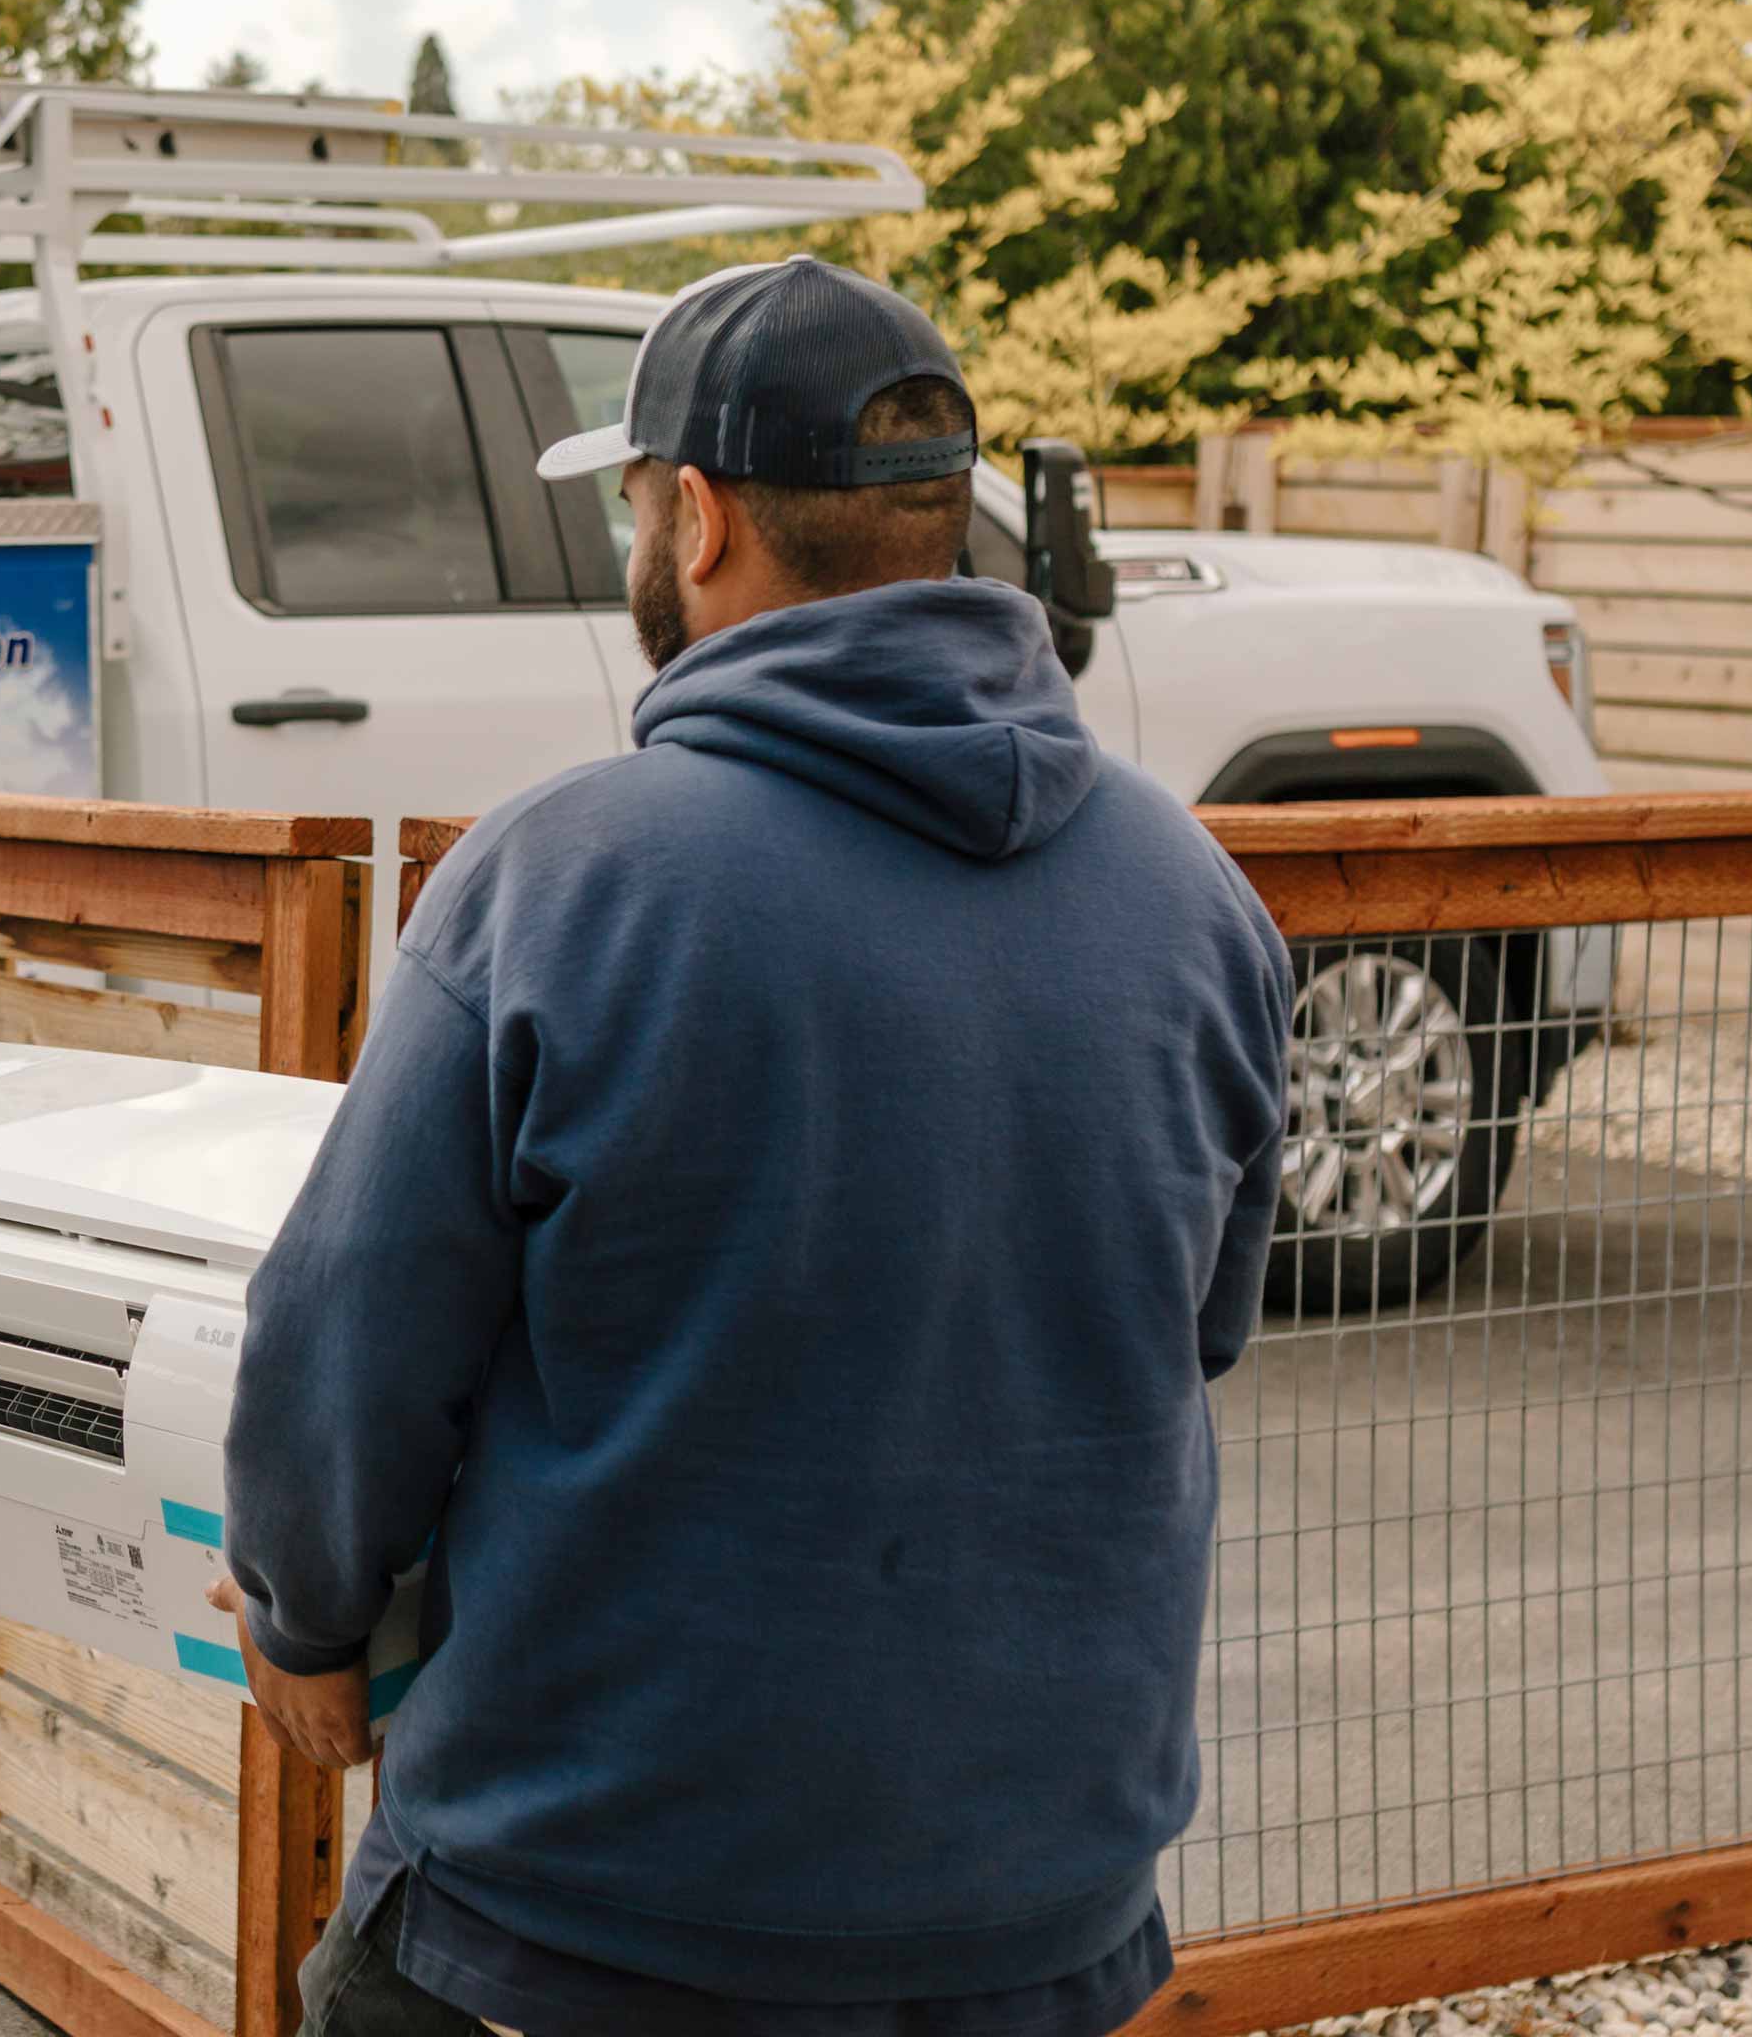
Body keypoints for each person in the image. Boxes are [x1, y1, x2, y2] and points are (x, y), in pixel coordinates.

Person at [214, 258, 1291, 2037]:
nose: (637, 539)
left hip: (592, 1914)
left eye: (637, 501)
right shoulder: (1197, 896)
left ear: (697, 520)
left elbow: (344, 1344)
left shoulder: (565, 881)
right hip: (1041, 1922)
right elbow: (1199, 1329)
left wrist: (305, 1625)